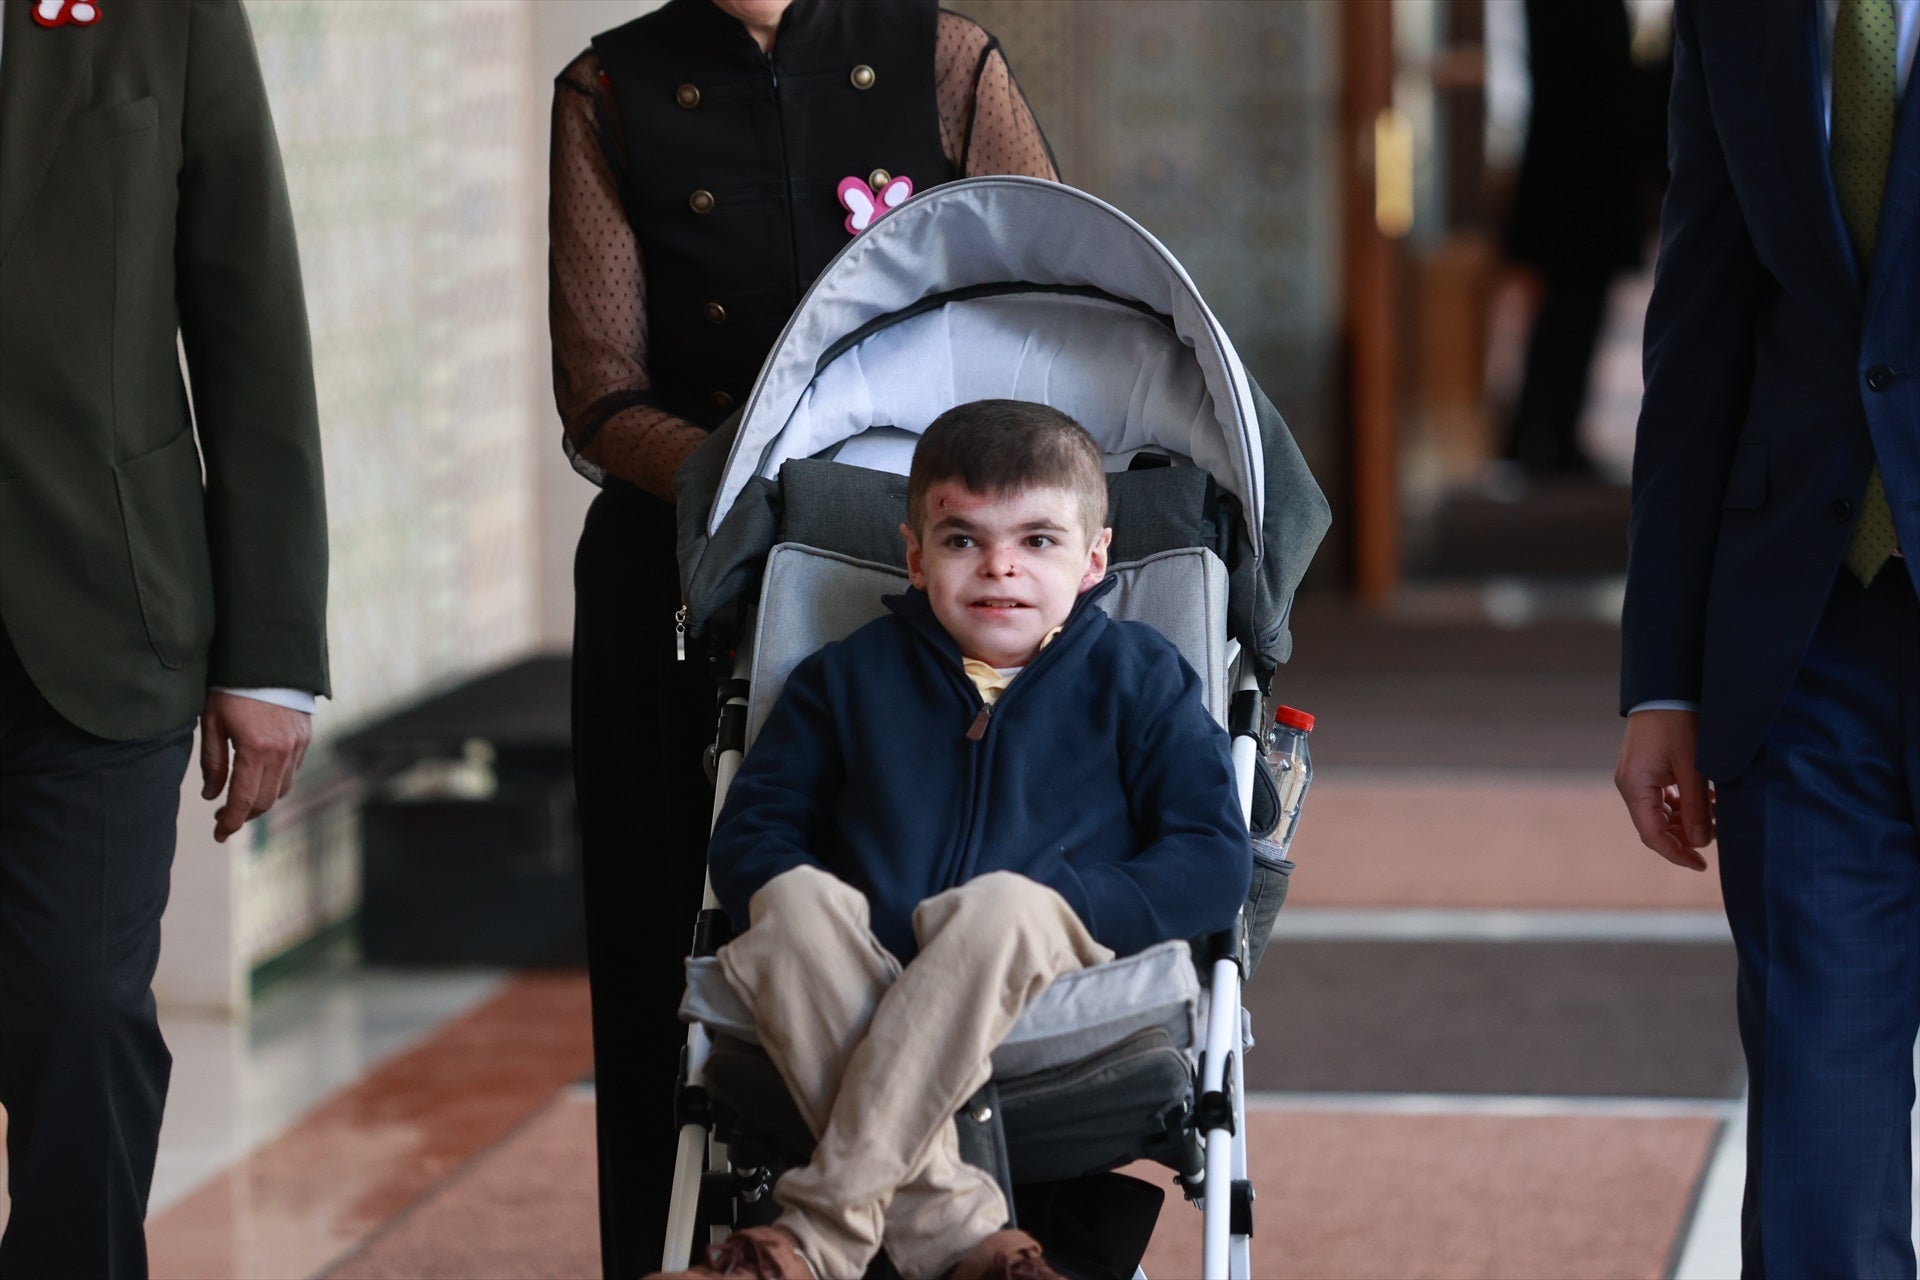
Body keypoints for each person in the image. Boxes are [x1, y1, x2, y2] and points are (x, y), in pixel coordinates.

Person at [546, 2, 1058, 1272]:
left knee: (937, 908)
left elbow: (1051, 304)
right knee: (674, 944)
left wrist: (944, 510)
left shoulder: (944, 57)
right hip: (687, 572)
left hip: (934, 572)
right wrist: (765, 490)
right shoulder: (610, 87)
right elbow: (602, 392)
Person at [653, 401, 1251, 1280]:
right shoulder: (845, 678)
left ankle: (815, 1240)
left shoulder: (1139, 678)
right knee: (789, 904)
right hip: (859, 972)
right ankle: (970, 1245)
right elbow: (754, 829)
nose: (1000, 565)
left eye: (1039, 541)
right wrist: (792, 887)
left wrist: (1072, 903)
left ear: (1095, 560)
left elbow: (1213, 855)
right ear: (914, 555)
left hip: (1058, 956)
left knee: (1003, 905)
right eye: (963, 539)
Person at [0, 1, 328, 1275]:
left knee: (81, 1008)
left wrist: (269, 649)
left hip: (102, 606)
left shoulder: (164, 13)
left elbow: (250, 319)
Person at [1614, 0, 1920, 1273]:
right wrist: (1660, 680)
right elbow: (1698, 336)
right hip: (1802, 643)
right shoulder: (1729, 17)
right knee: (1818, 1138)